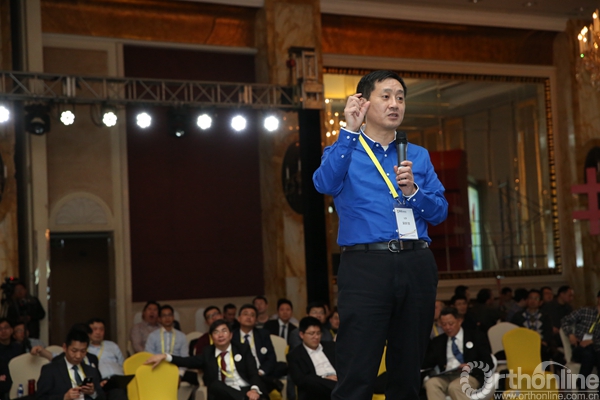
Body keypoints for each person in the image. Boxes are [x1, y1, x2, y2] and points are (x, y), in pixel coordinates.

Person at [313, 70, 447, 399]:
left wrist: (414, 192)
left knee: (407, 372)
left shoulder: (417, 154)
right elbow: (324, 184)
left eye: (400, 97)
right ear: (363, 102)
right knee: (357, 370)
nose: (394, 104)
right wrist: (348, 132)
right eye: (385, 96)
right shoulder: (344, 149)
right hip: (366, 266)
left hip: (416, 263)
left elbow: (440, 212)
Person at [145, 319, 268, 400]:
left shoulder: (242, 348)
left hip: (247, 389)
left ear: (231, 335)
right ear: (212, 337)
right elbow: (188, 361)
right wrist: (166, 356)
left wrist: (254, 390)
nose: (220, 335)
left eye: (224, 331)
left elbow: (253, 373)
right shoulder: (208, 352)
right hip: (223, 393)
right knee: (215, 385)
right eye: (216, 332)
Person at [422, 307, 493, 400]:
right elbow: (428, 362)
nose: (447, 327)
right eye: (444, 324)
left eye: (451, 324)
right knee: (431, 383)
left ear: (459, 321)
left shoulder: (476, 336)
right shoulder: (438, 341)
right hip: (446, 376)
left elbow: (488, 362)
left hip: (470, 375)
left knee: (455, 387)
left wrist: (470, 366)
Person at [37, 328, 105, 400]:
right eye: (74, 350)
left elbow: (103, 397)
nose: (78, 356)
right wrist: (64, 397)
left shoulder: (91, 371)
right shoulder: (50, 370)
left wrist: (93, 393)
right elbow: (40, 398)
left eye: (83, 351)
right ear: (65, 348)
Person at [232, 304, 285, 393]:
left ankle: (259, 381)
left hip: (260, 371)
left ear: (256, 320)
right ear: (239, 318)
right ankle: (268, 385)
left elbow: (271, 357)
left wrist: (261, 372)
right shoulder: (232, 336)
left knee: (282, 366)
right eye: (245, 314)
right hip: (241, 372)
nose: (249, 317)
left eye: (252, 315)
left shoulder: (263, 334)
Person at [287, 317, 337, 400]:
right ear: (301, 335)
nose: (316, 337)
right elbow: (300, 380)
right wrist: (324, 379)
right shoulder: (295, 355)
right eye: (312, 333)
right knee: (310, 381)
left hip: (337, 379)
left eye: (318, 333)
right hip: (316, 391)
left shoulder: (332, 347)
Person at [560, 291, 600, 391]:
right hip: (580, 348)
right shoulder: (585, 311)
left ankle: (582, 386)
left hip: (596, 348)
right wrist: (570, 334)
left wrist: (592, 341)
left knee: (592, 353)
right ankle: (582, 387)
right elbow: (565, 320)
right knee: (588, 353)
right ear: (598, 299)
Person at [86, 318, 127, 400]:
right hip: (102, 382)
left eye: (101, 329)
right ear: (88, 332)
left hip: (120, 378)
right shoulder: (85, 349)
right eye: (95, 329)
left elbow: (123, 364)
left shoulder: (112, 345)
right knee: (117, 392)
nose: (98, 332)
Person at [511, 289, 554, 361]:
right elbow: (514, 332)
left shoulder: (545, 316)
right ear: (527, 300)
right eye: (530, 298)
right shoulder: (518, 316)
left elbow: (548, 332)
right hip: (523, 344)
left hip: (540, 344)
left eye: (536, 299)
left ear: (540, 302)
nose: (533, 301)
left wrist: (544, 341)